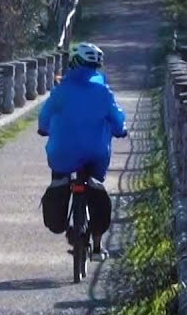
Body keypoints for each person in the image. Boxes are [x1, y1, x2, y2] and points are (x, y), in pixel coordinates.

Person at [38, 42, 127, 260]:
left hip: (62, 153)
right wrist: (120, 130)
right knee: (95, 187)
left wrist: (43, 128)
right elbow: (117, 119)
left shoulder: (61, 90)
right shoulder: (103, 92)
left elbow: (45, 116)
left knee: (60, 180)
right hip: (95, 154)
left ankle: (64, 212)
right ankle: (97, 247)